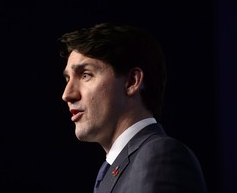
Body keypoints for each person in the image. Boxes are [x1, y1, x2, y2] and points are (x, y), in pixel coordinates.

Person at [58, 22, 207, 193]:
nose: (67, 94)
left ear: (132, 82)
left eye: (85, 75)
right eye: (67, 79)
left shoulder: (158, 155)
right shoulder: (118, 167)